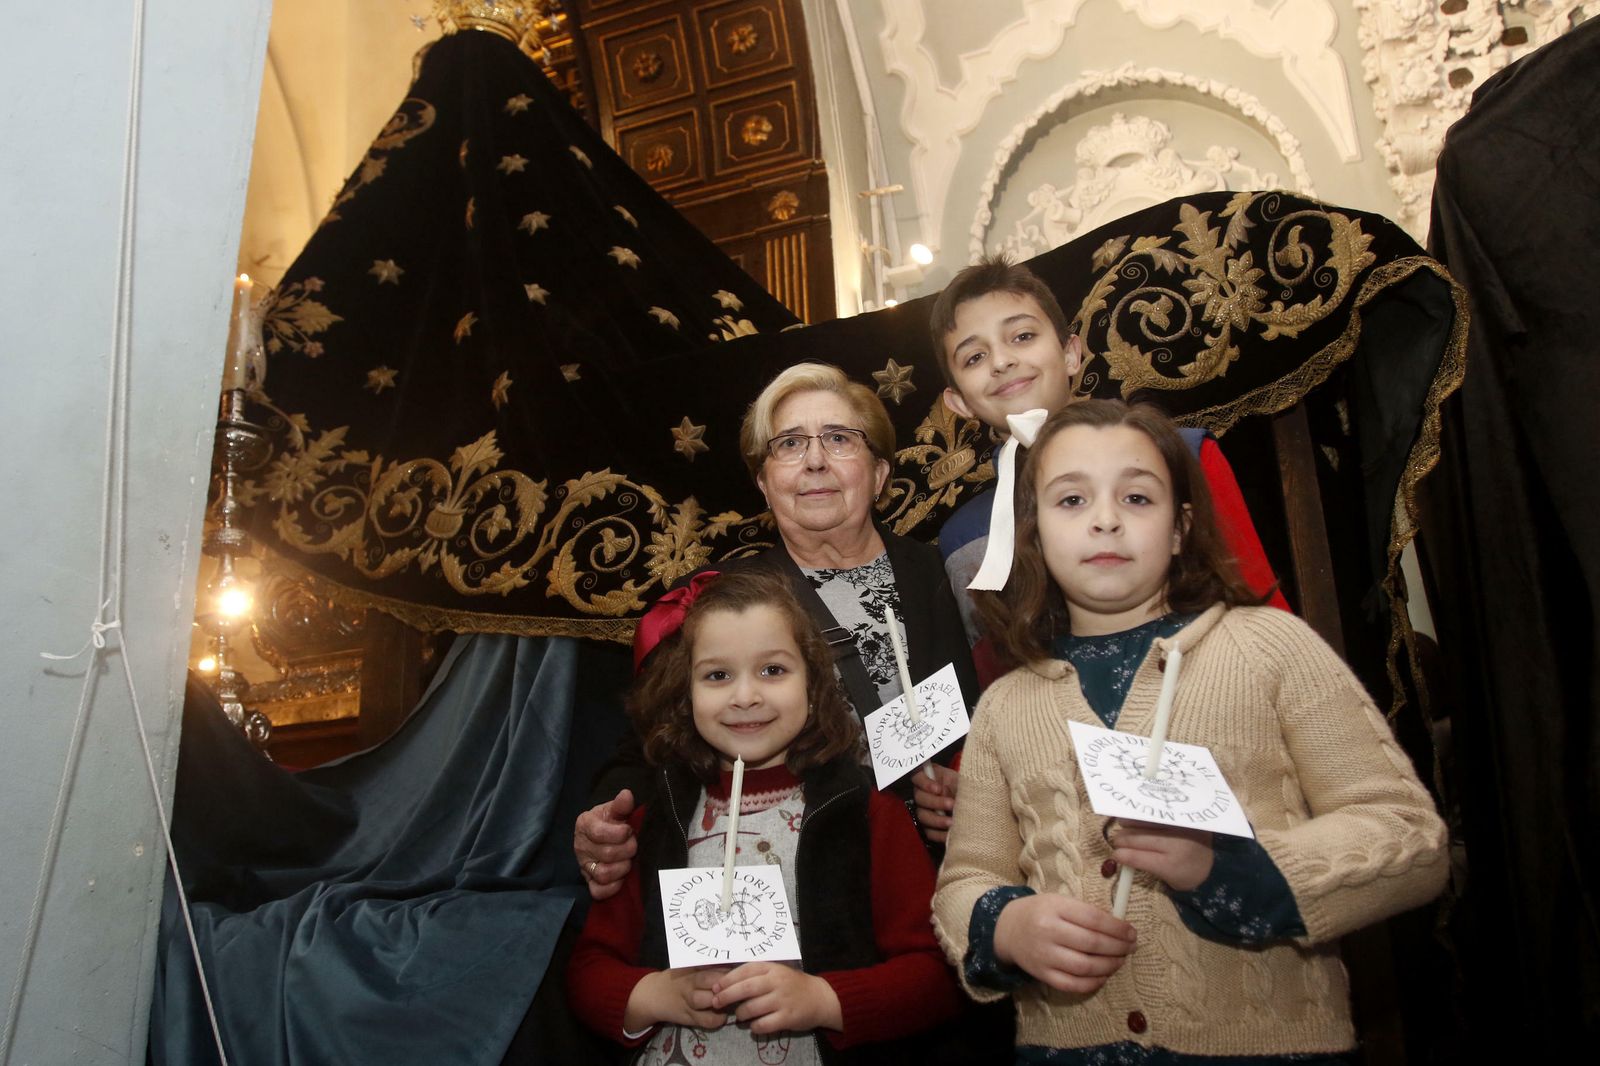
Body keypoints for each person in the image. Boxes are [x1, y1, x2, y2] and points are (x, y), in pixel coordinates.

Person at [931, 399, 1448, 1062]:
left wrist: (1226, 870)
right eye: (1071, 501)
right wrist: (1003, 925)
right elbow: (967, 874)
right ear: (1032, 536)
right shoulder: (1004, 705)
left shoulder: (1271, 648)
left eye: (1138, 497)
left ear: (1181, 529)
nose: (1106, 518)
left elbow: (1410, 837)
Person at [915, 254, 1289, 842]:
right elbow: (996, 682)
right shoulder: (964, 539)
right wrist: (972, 781)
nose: (1003, 360)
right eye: (975, 356)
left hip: (1213, 750)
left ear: (1070, 353)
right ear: (959, 400)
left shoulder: (1180, 456)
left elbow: (1263, 614)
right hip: (1066, 795)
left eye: (1021, 335)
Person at [576, 363, 978, 900]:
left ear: (880, 473)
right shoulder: (720, 599)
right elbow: (644, 757)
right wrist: (605, 820)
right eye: (789, 444)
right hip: (795, 883)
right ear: (765, 483)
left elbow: (995, 718)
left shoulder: (943, 574)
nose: (815, 460)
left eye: (839, 438)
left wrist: (972, 794)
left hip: (945, 878)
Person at [567, 569, 963, 1063]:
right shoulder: (657, 821)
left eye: (773, 670)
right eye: (717, 675)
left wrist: (824, 1000)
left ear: (814, 686)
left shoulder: (867, 817)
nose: (745, 696)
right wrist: (653, 995)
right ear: (685, 696)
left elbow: (936, 977)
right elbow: (588, 968)